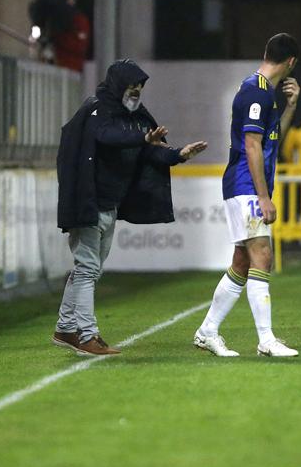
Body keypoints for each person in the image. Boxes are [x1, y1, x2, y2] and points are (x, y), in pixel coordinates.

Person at [55, 60, 208, 355]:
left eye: (139, 88)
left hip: (109, 203)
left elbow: (151, 152)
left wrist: (179, 155)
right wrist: (142, 138)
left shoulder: (135, 117)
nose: (136, 92)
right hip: (89, 201)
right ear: (117, 85)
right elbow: (108, 137)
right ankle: (87, 335)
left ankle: (65, 328)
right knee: (87, 269)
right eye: (132, 87)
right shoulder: (97, 111)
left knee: (90, 269)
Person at [193, 33, 301, 358]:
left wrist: (291, 106)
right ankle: (266, 340)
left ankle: (207, 331)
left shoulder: (263, 93)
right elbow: (252, 146)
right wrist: (264, 196)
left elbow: (271, 138)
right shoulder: (255, 92)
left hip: (243, 184)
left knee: (242, 262)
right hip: (245, 185)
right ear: (291, 62)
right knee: (262, 255)